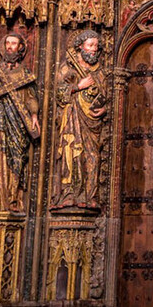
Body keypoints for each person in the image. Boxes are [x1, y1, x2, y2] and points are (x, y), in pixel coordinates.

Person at [0, 32, 41, 212]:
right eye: (7, 43)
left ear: (20, 47)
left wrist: (34, 115)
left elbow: (31, 97)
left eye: (14, 43)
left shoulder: (24, 73)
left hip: (19, 121)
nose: (10, 47)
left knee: (17, 158)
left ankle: (14, 198)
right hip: (0, 120)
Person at [54, 30, 108, 212]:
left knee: (92, 157)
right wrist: (78, 86)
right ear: (80, 46)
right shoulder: (67, 68)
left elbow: (109, 96)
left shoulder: (100, 72)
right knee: (71, 154)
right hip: (72, 119)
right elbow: (59, 94)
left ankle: (90, 195)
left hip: (92, 122)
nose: (94, 49)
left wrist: (105, 109)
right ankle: (69, 194)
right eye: (90, 45)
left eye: (96, 46)